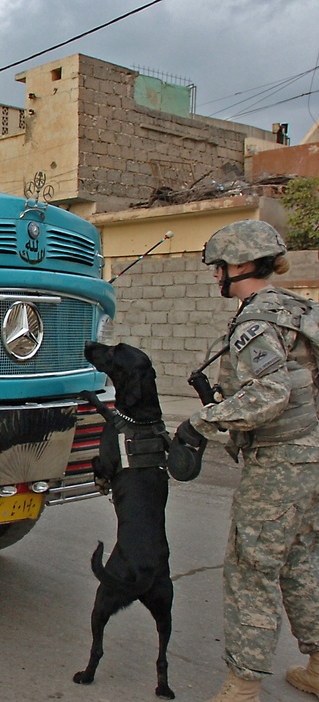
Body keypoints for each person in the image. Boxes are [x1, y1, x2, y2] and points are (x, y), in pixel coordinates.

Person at [174, 219, 319, 701]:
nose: (216, 276)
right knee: (302, 559)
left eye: (218, 267)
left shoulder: (256, 322)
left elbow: (270, 394)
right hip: (312, 457)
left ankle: (242, 685)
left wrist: (202, 423)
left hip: (281, 462)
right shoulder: (298, 309)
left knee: (251, 567)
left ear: (239, 265)